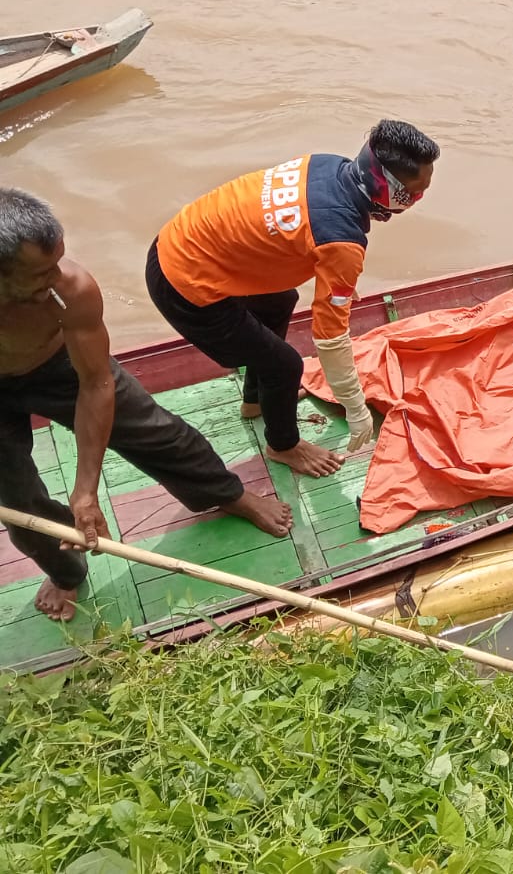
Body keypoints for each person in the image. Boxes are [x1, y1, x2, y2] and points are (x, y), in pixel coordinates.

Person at [0, 188, 293, 621]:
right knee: (18, 504)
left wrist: (85, 490)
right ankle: (65, 572)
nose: (56, 277)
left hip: (59, 365)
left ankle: (228, 494)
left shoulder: (71, 289)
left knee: (157, 432)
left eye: (58, 261)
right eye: (41, 273)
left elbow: (96, 383)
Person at [146, 121, 438, 478]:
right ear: (386, 188)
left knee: (280, 300)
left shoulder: (327, 164)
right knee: (285, 366)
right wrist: (355, 406)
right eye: (412, 195)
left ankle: (255, 401)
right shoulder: (341, 240)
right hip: (184, 286)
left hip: (176, 243)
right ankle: (283, 445)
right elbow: (330, 341)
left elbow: (287, 231)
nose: (416, 202)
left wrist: (339, 280)